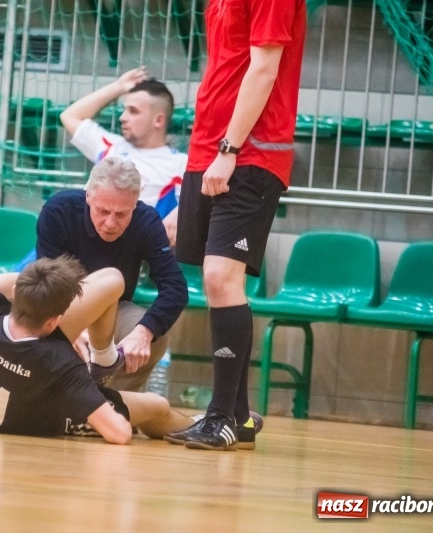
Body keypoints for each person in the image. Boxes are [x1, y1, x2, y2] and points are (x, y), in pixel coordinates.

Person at [0, 157, 188, 394]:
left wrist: (144, 332)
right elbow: (49, 283)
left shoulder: (147, 222)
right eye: (102, 211)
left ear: (135, 204)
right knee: (5, 300)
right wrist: (77, 326)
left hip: (111, 311)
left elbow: (175, 288)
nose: (110, 222)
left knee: (154, 333)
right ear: (88, 197)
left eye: (121, 214)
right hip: (58, 302)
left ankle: (113, 401)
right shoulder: (59, 210)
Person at [166, 0, 307, 451]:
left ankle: (221, 415)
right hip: (209, 148)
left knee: (221, 276)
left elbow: (265, 69)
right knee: (214, 280)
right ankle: (240, 417)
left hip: (248, 152)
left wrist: (229, 148)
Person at [0, 255, 196, 444]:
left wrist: (34, 290)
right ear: (55, 322)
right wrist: (82, 385)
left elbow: (1, 284)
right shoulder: (60, 361)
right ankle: (196, 425)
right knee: (156, 405)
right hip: (53, 412)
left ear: (18, 296)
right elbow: (117, 433)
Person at [60, 67, 188, 246]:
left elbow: (206, 198)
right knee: (24, 272)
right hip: (75, 237)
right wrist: (119, 86)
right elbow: (70, 116)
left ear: (158, 120)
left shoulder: (180, 164)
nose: (122, 117)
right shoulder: (112, 145)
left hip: (125, 248)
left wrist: (181, 212)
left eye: (133, 111)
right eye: (124, 110)